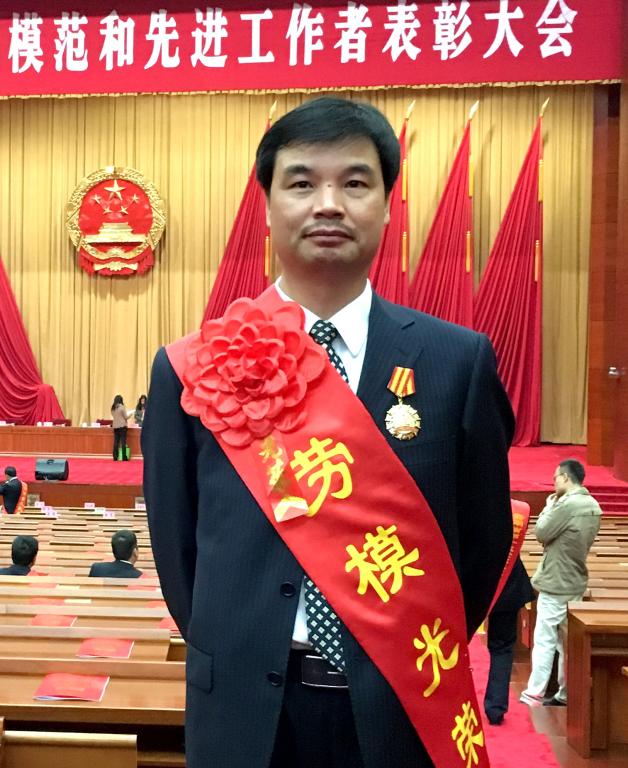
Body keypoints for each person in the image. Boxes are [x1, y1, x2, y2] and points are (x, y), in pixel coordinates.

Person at [142, 97, 514, 768]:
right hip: (243, 710)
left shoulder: (457, 362)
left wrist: (403, 644)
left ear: (388, 206)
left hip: (399, 706)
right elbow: (179, 552)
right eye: (302, 183)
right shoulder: (190, 369)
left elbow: (482, 543)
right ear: (266, 206)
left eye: (355, 182)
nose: (329, 204)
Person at [520, 459, 601, 707]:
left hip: (556, 581)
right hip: (576, 578)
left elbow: (542, 532)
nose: (554, 482)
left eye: (555, 477)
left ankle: (534, 692)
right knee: (567, 642)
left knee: (545, 639)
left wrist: (549, 506)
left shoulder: (567, 505)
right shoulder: (593, 505)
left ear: (566, 477)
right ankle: (565, 693)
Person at [484, 557, 536, 725]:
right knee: (502, 647)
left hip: (473, 581)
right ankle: (496, 708)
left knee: (456, 647)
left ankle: (454, 705)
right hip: (506, 583)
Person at [111, 394, 129, 461]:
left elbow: (114, 416)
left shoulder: (113, 408)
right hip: (122, 426)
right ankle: (124, 457)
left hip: (115, 426)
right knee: (123, 442)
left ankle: (115, 456)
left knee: (116, 442)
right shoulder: (122, 407)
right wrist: (131, 414)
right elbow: (126, 417)